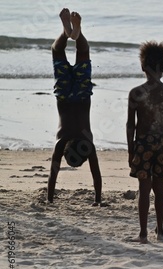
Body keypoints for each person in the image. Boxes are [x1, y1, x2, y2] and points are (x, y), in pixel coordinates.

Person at [47, 8, 102, 206]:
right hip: (63, 95)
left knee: (83, 52)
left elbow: (96, 175)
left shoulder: (87, 141)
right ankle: (65, 32)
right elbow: (53, 174)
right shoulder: (61, 142)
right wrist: (49, 198)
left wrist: (98, 199)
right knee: (57, 51)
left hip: (81, 95)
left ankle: (75, 32)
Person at [127, 41, 163, 244]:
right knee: (160, 189)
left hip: (142, 144)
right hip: (162, 144)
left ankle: (142, 234)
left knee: (144, 190)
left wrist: (131, 150)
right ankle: (161, 231)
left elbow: (131, 125)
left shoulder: (136, 93)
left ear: (143, 66)